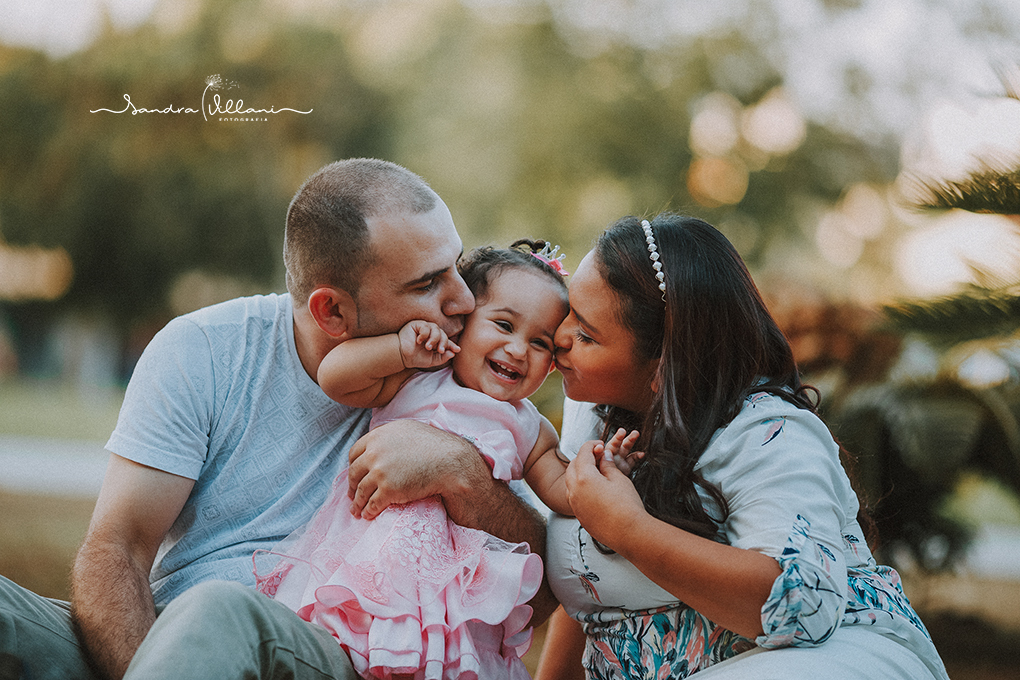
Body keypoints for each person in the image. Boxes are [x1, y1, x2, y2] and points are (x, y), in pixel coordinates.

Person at [0, 159, 554, 680]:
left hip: (317, 648)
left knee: (220, 610)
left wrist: (458, 471)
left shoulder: (460, 377)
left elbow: (546, 589)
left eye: (455, 268)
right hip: (172, 641)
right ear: (331, 310)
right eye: (426, 284)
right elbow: (117, 548)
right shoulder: (205, 351)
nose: (463, 301)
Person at [535, 214, 950, 679]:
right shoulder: (593, 413)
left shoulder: (770, 431)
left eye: (587, 334)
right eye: (569, 311)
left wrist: (628, 529)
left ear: (665, 365)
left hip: (819, 661)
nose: (560, 337)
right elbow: (587, 595)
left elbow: (802, 607)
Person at [253, 241, 640, 680]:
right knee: (347, 652)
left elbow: (563, 490)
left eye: (539, 342)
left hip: (452, 589)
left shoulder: (527, 425)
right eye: (503, 325)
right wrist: (401, 348)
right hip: (372, 560)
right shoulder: (421, 376)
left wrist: (603, 469)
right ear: (461, 323)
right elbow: (335, 376)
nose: (517, 349)